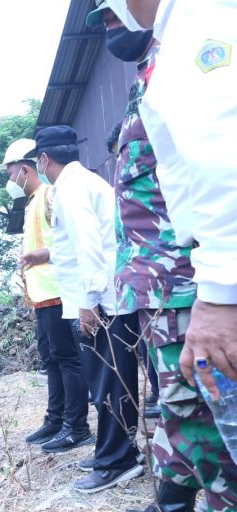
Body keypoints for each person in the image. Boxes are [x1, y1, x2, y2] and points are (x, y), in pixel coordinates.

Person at [87, 2, 237, 510]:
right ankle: (174, 497)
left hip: (190, 284)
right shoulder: (152, 70)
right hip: (161, 288)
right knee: (180, 409)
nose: (114, 26)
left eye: (111, 16)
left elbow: (221, 163)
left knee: (203, 418)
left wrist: (217, 295)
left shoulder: (198, 35)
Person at [22, 125, 143, 493]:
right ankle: (120, 451)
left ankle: (116, 461)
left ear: (43, 159)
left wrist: (89, 303)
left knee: (108, 384)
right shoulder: (82, 182)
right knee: (106, 382)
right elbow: (74, 247)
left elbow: (89, 245)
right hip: (103, 298)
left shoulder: (71, 189)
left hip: (101, 303)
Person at [0, 139, 91, 453]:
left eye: (11, 174)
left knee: (67, 360)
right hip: (42, 296)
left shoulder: (50, 195)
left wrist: (45, 254)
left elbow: (74, 238)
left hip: (57, 292)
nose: (10, 181)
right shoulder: (32, 202)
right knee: (52, 360)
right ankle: (56, 419)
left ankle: (76, 426)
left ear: (24, 169)